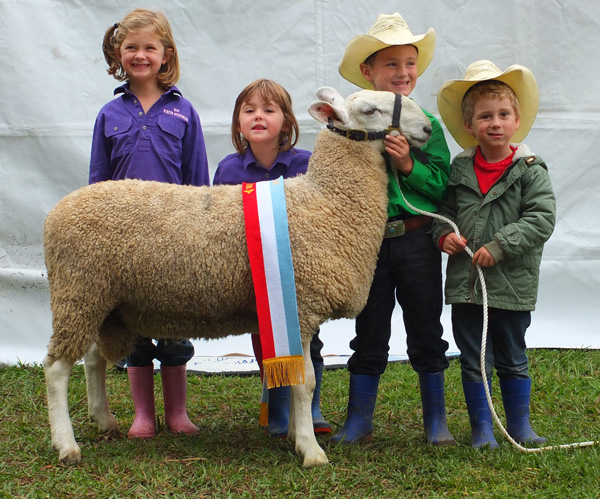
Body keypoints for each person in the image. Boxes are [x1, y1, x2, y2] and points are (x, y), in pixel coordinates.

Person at [331, 13, 455, 446]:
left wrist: (407, 164)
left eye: (409, 64)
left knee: (426, 327)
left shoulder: (428, 126)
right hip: (369, 245)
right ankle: (358, 421)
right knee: (369, 329)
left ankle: (435, 422)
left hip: (418, 239)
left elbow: (442, 183)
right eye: (391, 65)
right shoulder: (355, 122)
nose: (402, 73)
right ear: (368, 71)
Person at [90, 8, 210, 438]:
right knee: (136, 324)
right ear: (118, 54)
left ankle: (177, 412)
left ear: (165, 54)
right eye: (131, 47)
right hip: (126, 238)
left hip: (175, 233)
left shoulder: (184, 112)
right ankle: (143, 414)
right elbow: (97, 185)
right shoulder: (109, 114)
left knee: (175, 322)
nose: (140, 55)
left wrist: (199, 227)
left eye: (149, 48)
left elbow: (198, 179)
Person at [433, 60, 555, 448]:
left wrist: (500, 245)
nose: (496, 123)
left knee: (513, 357)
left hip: (511, 285)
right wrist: (442, 236)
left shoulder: (530, 170)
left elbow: (542, 218)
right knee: (473, 359)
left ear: (517, 120)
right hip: (467, 287)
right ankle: (483, 431)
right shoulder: (460, 168)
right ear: (470, 126)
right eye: (485, 116)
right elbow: (445, 214)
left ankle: (520, 427)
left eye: (504, 114)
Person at [213, 78, 331, 437]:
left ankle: (311, 407)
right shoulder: (228, 170)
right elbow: (216, 224)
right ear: (238, 123)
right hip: (250, 273)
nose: (258, 117)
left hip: (298, 273)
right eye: (249, 111)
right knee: (263, 335)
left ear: (287, 121)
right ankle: (277, 410)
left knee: (310, 337)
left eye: (269, 110)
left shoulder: (307, 164)